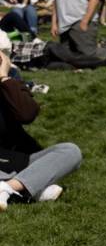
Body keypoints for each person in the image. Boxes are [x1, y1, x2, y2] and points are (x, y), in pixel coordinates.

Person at [0, 48, 82, 211]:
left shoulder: (9, 79)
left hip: (20, 160)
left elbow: (27, 114)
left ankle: (9, 188)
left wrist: (4, 77)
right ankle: (29, 188)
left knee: (71, 151)